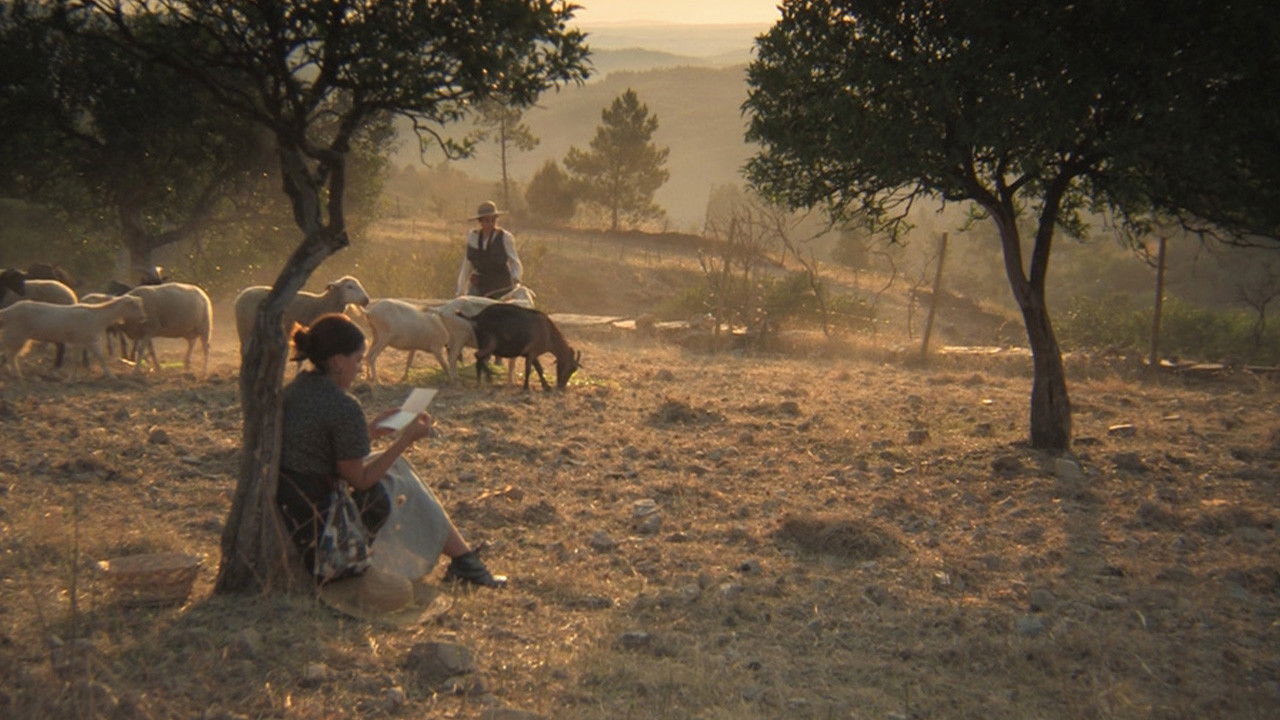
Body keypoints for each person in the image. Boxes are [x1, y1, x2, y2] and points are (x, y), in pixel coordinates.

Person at [275, 313, 504, 588]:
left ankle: (465, 561)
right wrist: (405, 440)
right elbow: (359, 479)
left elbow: (318, 447)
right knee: (398, 479)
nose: (360, 368)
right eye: (357, 360)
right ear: (337, 361)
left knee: (397, 471)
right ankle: (465, 562)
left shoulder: (297, 390)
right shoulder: (343, 405)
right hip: (322, 520)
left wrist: (368, 432)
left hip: (296, 499)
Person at [455, 200, 523, 298]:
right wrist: (460, 290)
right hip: (480, 285)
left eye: (493, 220)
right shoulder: (474, 237)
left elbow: (515, 262)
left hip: (501, 286)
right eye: (487, 220)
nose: (490, 223)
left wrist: (516, 280)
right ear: (481, 221)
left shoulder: (505, 237)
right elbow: (467, 265)